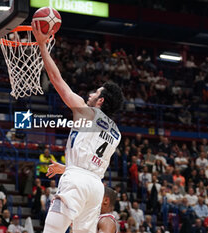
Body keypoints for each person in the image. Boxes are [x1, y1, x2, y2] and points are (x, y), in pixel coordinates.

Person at [32, 21, 123, 233]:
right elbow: (92, 161)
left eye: (95, 93)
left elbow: (57, 80)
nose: (90, 95)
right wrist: (68, 168)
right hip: (95, 188)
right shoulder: (116, 132)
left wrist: (42, 46)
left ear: (100, 101)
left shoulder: (87, 112)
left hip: (77, 181)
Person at [46, 161, 119, 233]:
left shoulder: (106, 220)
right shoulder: (91, 217)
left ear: (106, 200)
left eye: (98, 195)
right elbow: (86, 180)